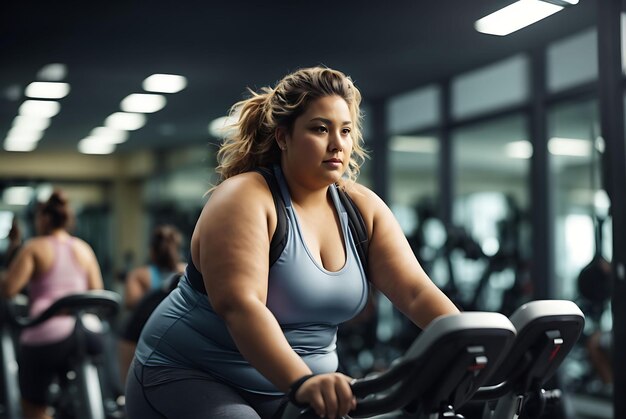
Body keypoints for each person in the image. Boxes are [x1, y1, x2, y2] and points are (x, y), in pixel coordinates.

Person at [125, 66, 460, 419]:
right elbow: (241, 306)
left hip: (296, 389)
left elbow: (415, 293)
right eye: (320, 129)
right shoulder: (245, 198)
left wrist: (475, 342)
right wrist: (301, 381)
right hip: (191, 374)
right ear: (283, 137)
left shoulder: (363, 208)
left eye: (345, 131)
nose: (337, 143)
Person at [0, 189, 104, 419]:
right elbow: (96, 292)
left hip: (49, 334)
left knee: (33, 404)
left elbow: (9, 289)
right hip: (88, 331)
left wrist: (11, 255)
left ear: (44, 218)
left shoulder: (35, 247)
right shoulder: (83, 248)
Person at [118, 224, 186, 387]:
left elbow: (130, 303)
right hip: (178, 331)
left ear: (151, 251)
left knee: (129, 384)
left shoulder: (140, 275)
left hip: (141, 334)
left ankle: (126, 393)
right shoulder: (186, 271)